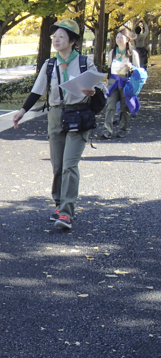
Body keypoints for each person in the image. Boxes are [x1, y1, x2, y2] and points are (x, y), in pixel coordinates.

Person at [12, 19, 103, 230]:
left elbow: (99, 88)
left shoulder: (83, 62)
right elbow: (37, 91)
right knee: (58, 165)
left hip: (79, 115)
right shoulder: (49, 64)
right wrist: (22, 111)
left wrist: (93, 91)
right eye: (54, 37)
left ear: (72, 41)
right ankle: (59, 203)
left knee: (70, 164)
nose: (56, 40)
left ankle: (66, 212)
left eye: (61, 36)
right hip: (55, 115)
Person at [101, 28, 140, 139]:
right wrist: (108, 81)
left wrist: (131, 67)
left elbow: (138, 71)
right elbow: (109, 69)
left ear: (127, 39)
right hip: (113, 82)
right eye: (117, 37)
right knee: (110, 105)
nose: (118, 39)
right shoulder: (112, 53)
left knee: (124, 107)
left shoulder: (133, 54)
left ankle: (122, 129)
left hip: (126, 82)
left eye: (121, 37)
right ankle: (107, 130)